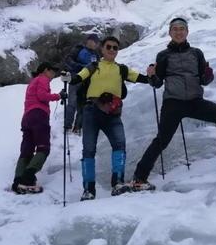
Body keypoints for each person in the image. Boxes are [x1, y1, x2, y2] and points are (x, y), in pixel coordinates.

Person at [130, 17, 216, 191]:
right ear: (170, 33)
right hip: (173, 103)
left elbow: (204, 80)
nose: (179, 32)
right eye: (175, 29)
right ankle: (139, 179)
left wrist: (208, 75)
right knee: (161, 141)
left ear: (187, 32)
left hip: (195, 101)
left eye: (182, 29)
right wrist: (151, 76)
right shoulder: (163, 55)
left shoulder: (196, 53)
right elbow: (157, 83)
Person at [61, 36, 152, 201]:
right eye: (108, 47)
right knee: (89, 149)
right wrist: (69, 78)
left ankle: (117, 183)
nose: (112, 50)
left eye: (115, 48)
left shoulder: (122, 69)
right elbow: (78, 77)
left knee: (119, 144)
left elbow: (140, 78)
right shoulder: (93, 66)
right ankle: (89, 189)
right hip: (92, 111)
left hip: (112, 112)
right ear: (102, 49)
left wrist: (153, 77)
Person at [11, 62, 66, 194]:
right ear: (46, 70)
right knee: (43, 148)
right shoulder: (43, 79)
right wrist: (58, 96)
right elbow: (42, 96)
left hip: (27, 117)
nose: (53, 74)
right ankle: (28, 178)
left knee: (27, 151)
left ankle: (18, 181)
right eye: (52, 71)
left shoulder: (33, 81)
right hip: (39, 115)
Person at [63, 33, 100, 134]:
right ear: (89, 41)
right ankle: (67, 126)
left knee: (83, 104)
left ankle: (77, 127)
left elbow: (98, 67)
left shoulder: (96, 55)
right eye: (94, 42)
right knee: (72, 102)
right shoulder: (78, 49)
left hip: (88, 82)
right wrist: (80, 67)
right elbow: (68, 59)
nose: (95, 44)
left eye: (96, 43)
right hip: (75, 78)